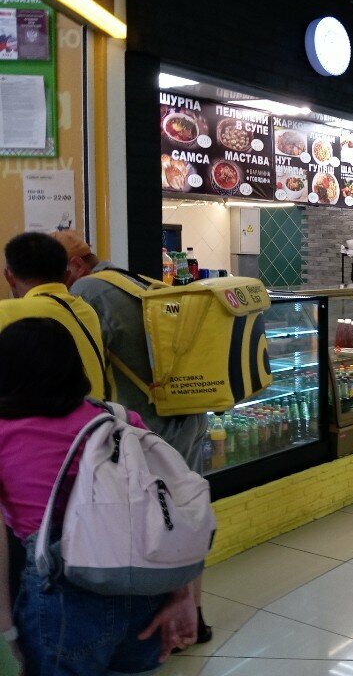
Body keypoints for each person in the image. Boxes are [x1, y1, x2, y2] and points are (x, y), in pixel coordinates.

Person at [0, 318, 198, 675]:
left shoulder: (4, 434)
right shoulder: (118, 419)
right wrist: (182, 594)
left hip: (63, 599)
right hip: (145, 591)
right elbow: (167, 511)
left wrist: (6, 629)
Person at [52, 231, 212, 644]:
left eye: (59, 272)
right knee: (185, 515)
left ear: (75, 265)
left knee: (158, 522)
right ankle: (195, 616)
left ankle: (169, 626)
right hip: (188, 411)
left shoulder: (87, 291)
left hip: (151, 424)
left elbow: (84, 362)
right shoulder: (130, 279)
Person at [0, 233, 108, 401]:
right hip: (94, 415)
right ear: (67, 275)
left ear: (9, 276)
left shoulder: (5, 311)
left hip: (43, 416)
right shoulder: (86, 311)